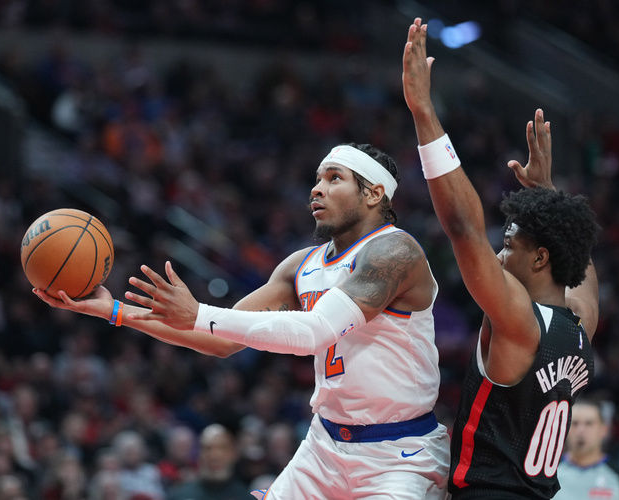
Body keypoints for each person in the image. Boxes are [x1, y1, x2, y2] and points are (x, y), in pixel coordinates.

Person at [34, 142, 450, 498]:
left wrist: (199, 312)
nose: (316, 189)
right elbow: (220, 338)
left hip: (400, 452)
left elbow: (314, 332)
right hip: (324, 446)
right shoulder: (300, 266)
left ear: (374, 193)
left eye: (334, 178)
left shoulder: (396, 253)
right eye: (317, 178)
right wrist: (114, 311)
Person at [403, 17, 600, 499]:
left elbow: (462, 227)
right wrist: (547, 195)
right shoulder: (581, 324)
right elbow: (579, 264)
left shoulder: (518, 322)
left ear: (540, 260)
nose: (498, 252)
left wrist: (424, 113)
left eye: (510, 244)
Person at [553, 399, 619, 500]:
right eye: (575, 423)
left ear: (604, 430)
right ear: (565, 428)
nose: (581, 430)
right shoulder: (548, 473)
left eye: (589, 424)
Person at [167, 424, 248, 500]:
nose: (214, 456)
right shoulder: (180, 496)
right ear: (198, 454)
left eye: (222, 448)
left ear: (233, 454)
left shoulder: (245, 497)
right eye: (208, 448)